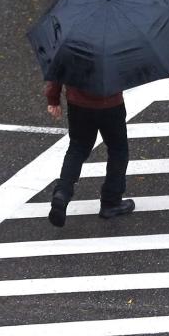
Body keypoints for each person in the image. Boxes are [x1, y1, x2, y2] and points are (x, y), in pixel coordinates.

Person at [45, 81, 135, 227]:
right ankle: (111, 202)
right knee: (118, 150)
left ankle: (62, 193)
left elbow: (58, 66)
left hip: (78, 105)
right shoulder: (113, 55)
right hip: (111, 104)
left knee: (77, 149)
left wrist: (53, 99)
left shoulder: (72, 56)